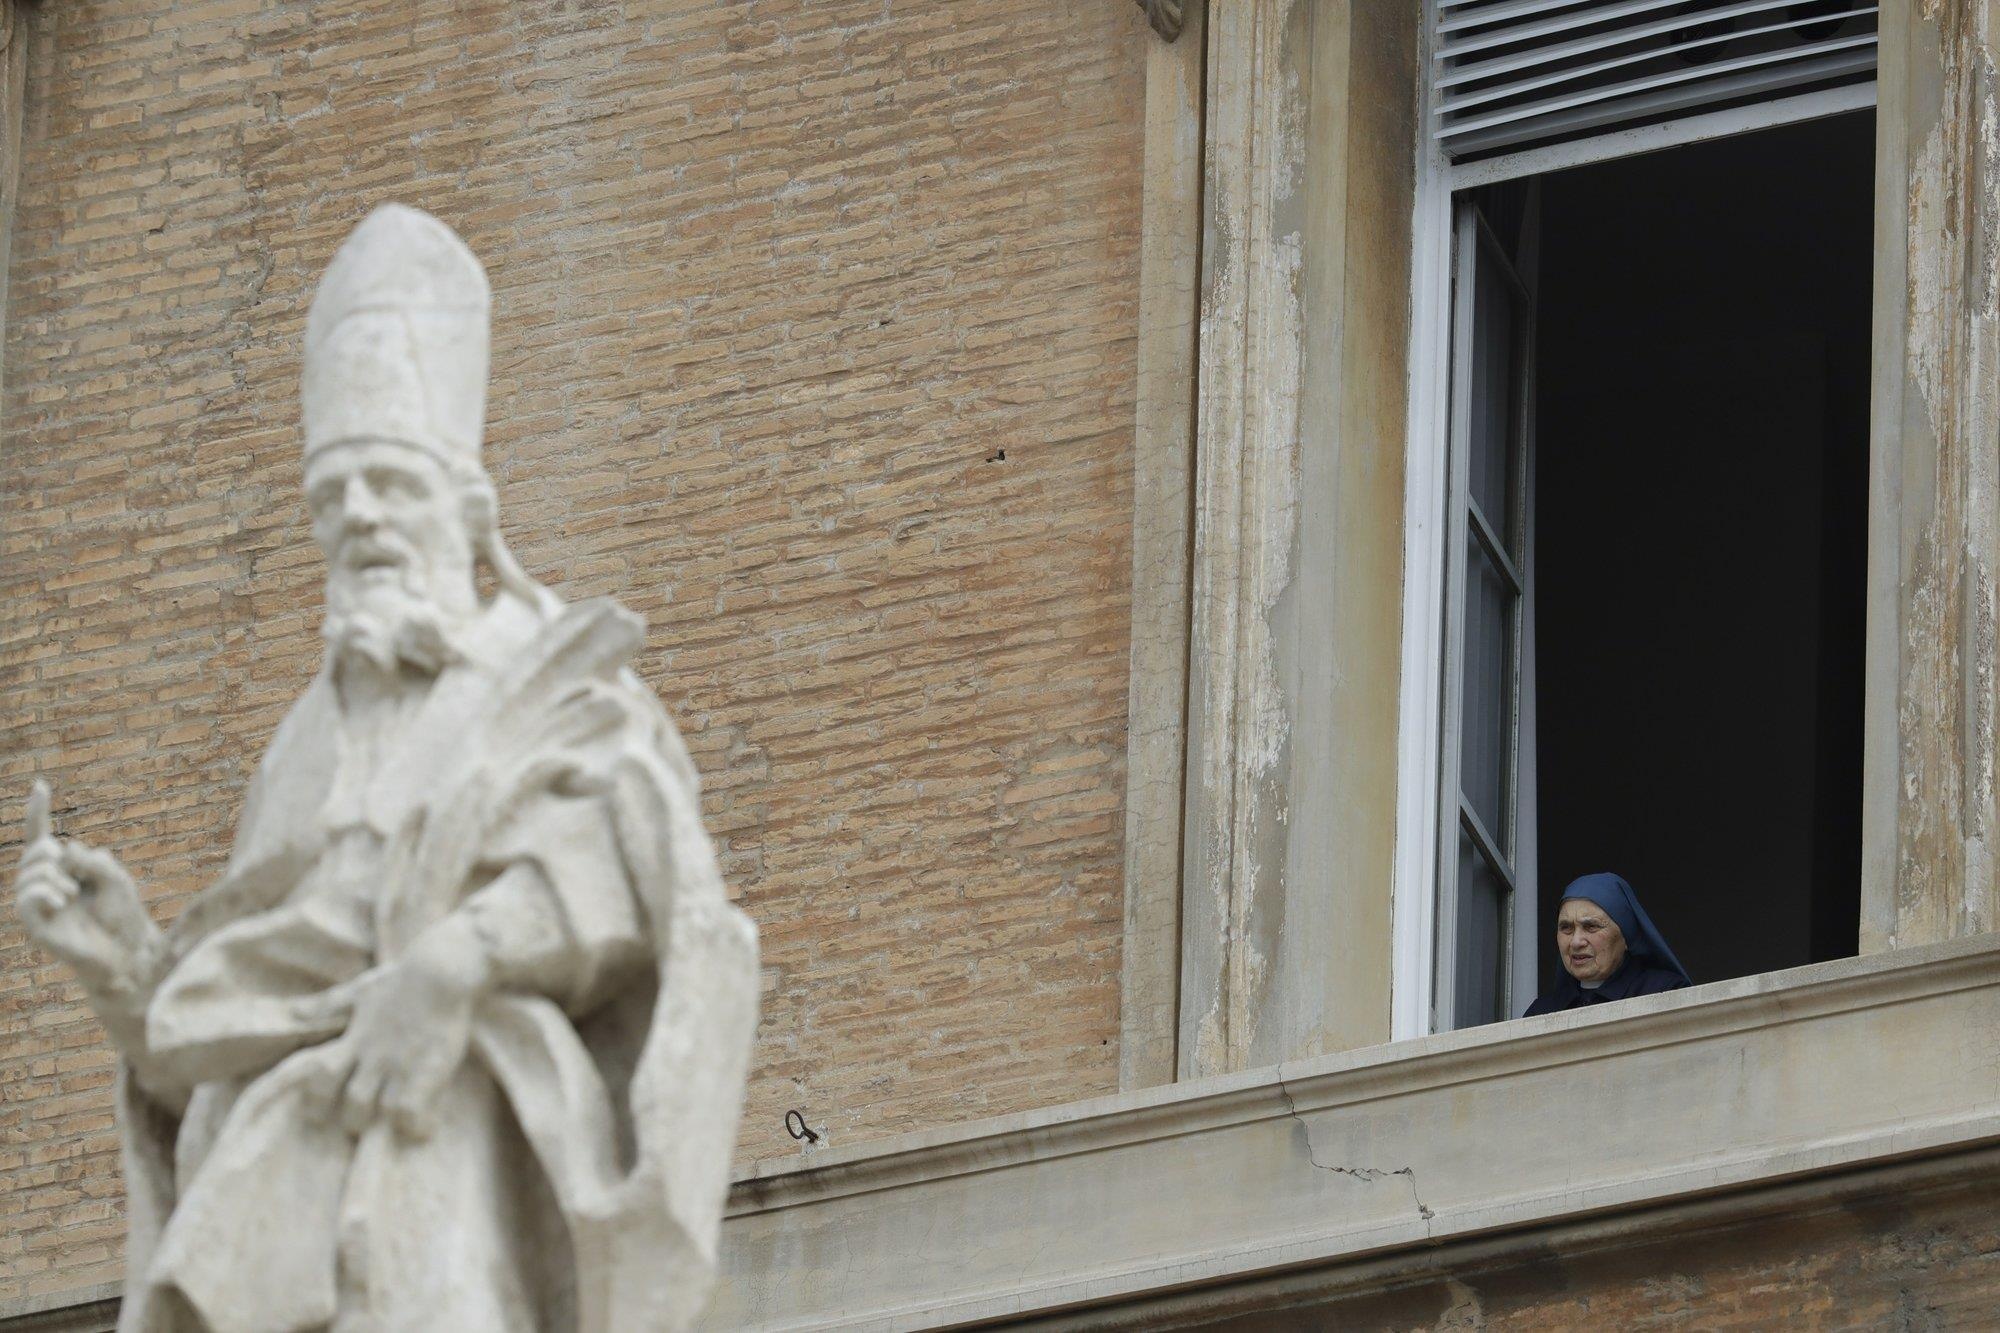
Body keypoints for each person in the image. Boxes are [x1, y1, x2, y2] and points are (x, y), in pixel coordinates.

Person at [12, 204, 758, 1332]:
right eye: (332, 493)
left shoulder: (552, 686)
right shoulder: (301, 745)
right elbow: (230, 1035)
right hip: (265, 1201)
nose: (358, 514)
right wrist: (125, 973)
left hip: (444, 1165)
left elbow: (643, 873)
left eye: (389, 484)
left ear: (467, 513)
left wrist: (454, 961)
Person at [1523, 872, 1692, 1017]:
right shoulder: (1540, 1012)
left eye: (1591, 927)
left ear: (1627, 936)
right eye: (1566, 928)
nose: (1576, 942)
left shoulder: (1666, 994)